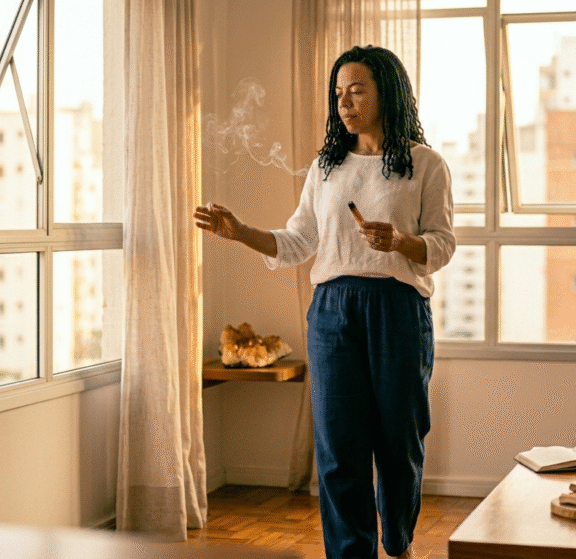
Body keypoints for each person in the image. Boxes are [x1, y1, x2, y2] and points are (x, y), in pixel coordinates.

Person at [194, 45, 454, 559]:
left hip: (398, 310)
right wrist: (241, 232)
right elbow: (297, 242)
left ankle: (398, 542)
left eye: (357, 90)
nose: (345, 103)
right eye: (338, 93)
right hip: (333, 310)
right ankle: (350, 553)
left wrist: (401, 242)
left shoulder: (426, 165)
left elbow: (442, 245)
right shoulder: (326, 167)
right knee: (338, 445)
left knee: (400, 440)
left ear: (387, 93)